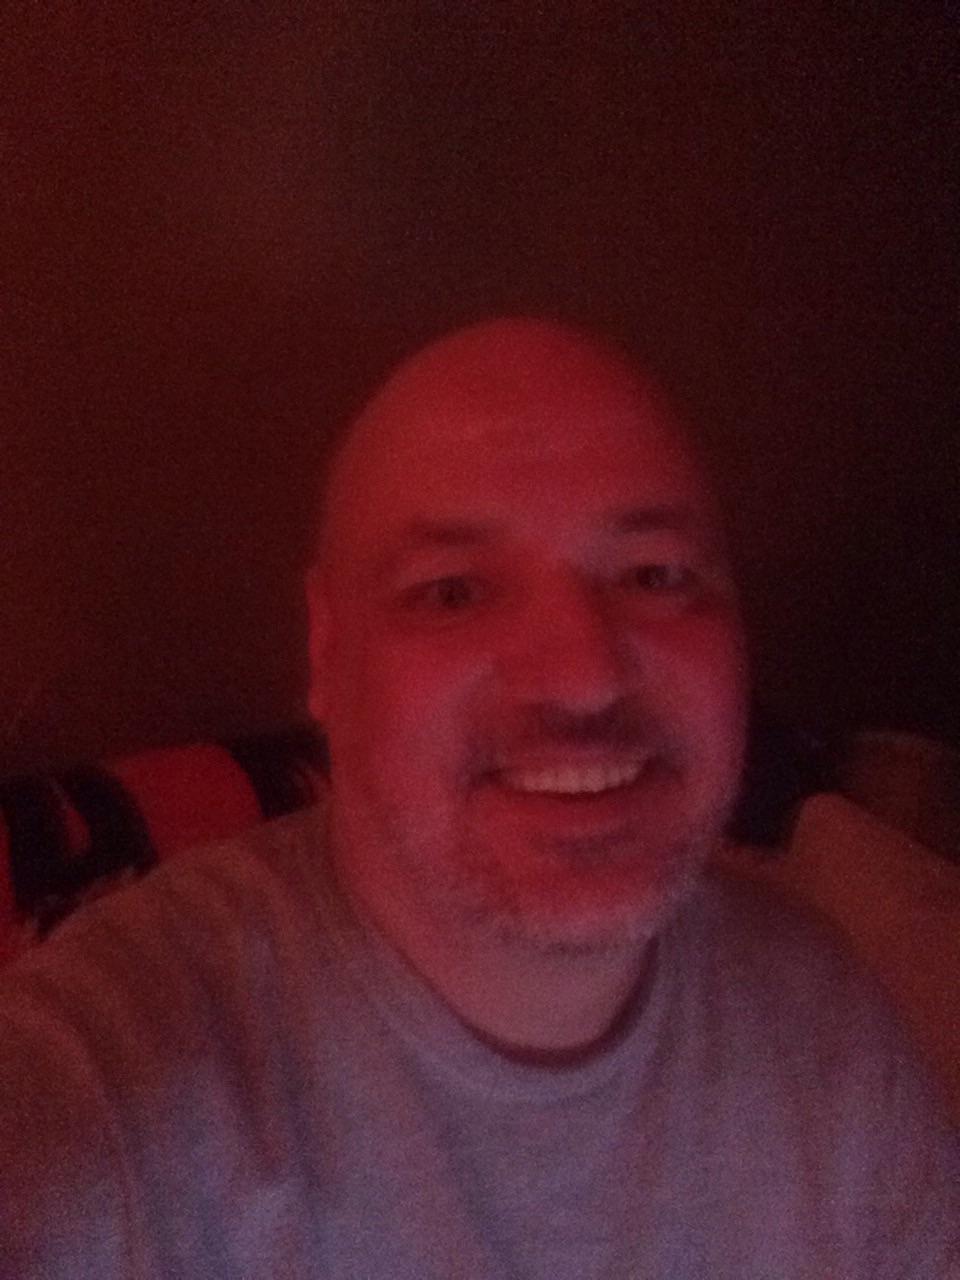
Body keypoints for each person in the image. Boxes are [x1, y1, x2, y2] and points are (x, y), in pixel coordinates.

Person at [0, 317, 956, 1278]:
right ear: (328, 652)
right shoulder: (105, 1093)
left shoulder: (834, 1050)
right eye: (453, 591)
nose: (583, 677)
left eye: (655, 574)